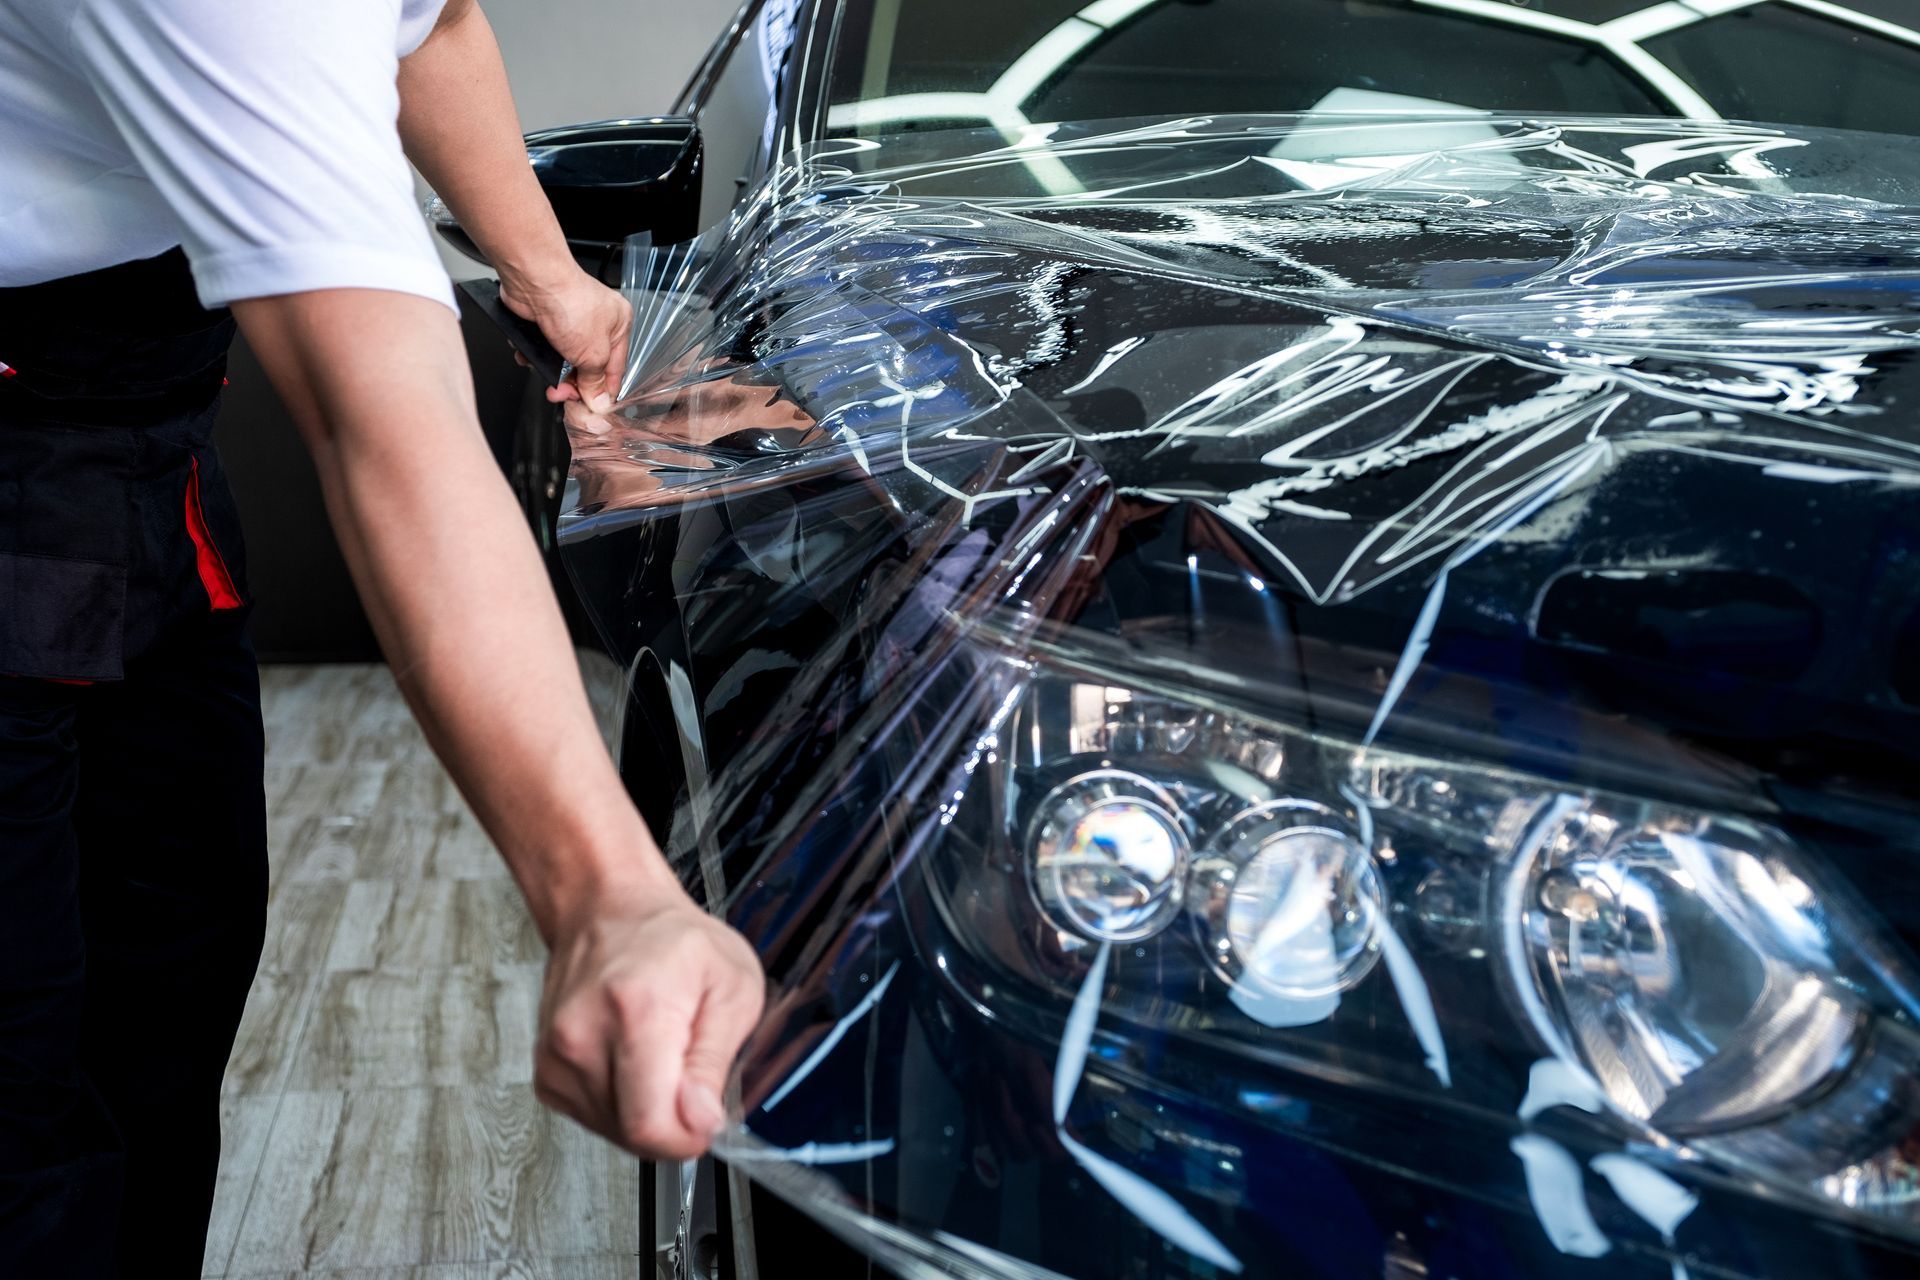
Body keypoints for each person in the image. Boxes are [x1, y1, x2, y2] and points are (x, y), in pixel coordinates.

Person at [0, 0, 766, 1273]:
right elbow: (382, 421)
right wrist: (610, 898)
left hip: (146, 424)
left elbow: (433, 21)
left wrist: (545, 274)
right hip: (31, 422)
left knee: (169, 992)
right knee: (23, 1078)